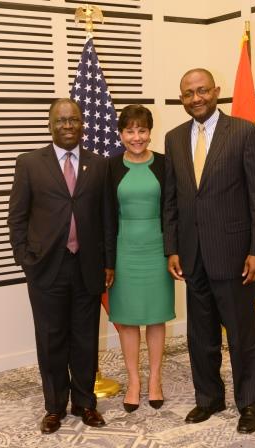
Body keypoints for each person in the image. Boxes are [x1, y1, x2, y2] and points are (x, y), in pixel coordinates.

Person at [164, 69, 255, 434]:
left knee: (242, 336)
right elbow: (173, 202)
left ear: (216, 92)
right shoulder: (174, 138)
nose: (196, 98)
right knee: (201, 335)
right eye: (188, 93)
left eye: (202, 91)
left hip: (234, 253)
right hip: (192, 256)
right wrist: (172, 248)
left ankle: (249, 403)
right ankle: (209, 399)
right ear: (181, 97)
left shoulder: (243, 132)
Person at [8, 98, 115, 434]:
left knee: (85, 338)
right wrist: (26, 259)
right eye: (61, 120)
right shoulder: (29, 163)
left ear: (83, 124)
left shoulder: (99, 164)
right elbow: (17, 216)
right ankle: (54, 407)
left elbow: (107, 218)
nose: (68, 126)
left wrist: (108, 262)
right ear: (50, 125)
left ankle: (85, 403)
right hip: (46, 267)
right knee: (51, 338)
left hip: (87, 265)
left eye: (74, 120)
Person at [108, 104, 175, 412]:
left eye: (142, 130)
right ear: (121, 134)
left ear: (150, 131)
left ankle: (155, 380)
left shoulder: (165, 163)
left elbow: (174, 211)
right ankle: (134, 380)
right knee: (128, 318)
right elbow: (106, 216)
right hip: (123, 251)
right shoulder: (109, 167)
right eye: (130, 131)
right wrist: (107, 260)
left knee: (156, 316)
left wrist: (174, 251)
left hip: (157, 250)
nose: (136, 137)